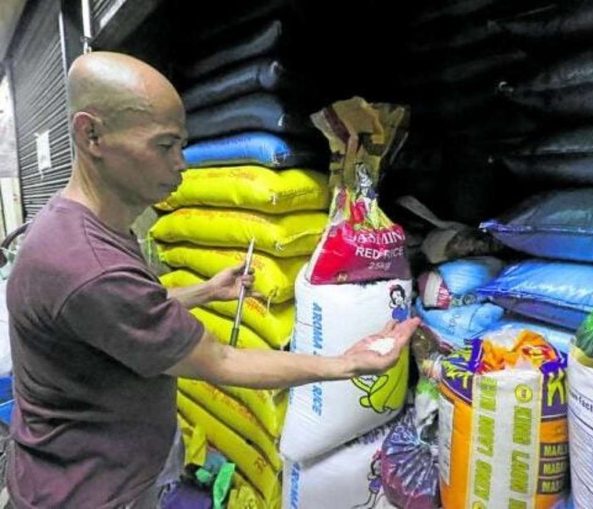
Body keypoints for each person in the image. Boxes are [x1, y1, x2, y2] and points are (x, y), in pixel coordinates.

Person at [4, 52, 420, 508]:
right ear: (92, 134)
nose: (181, 164)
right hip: (91, 494)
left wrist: (207, 290)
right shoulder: (87, 264)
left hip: (78, 472)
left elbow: (126, 313)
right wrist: (346, 365)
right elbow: (220, 359)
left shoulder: (77, 227)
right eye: (164, 147)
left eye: (181, 145)